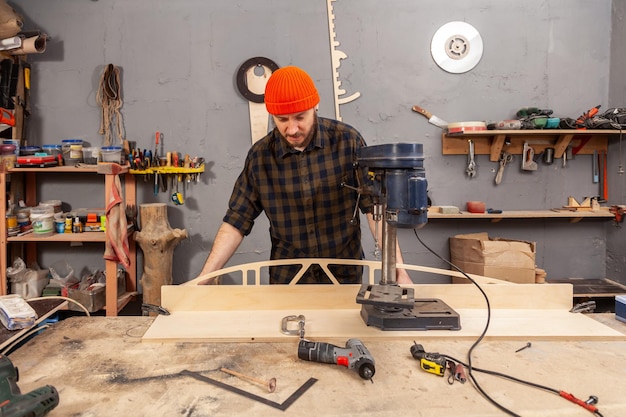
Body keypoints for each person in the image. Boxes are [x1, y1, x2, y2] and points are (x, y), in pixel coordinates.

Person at [198, 66, 411, 284]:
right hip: (288, 279)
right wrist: (203, 280)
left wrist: (398, 270)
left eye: (300, 117)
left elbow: (374, 209)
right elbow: (236, 221)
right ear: (272, 115)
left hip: (343, 276)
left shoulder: (348, 141)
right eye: (282, 120)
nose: (292, 129)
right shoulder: (260, 157)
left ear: (315, 106)